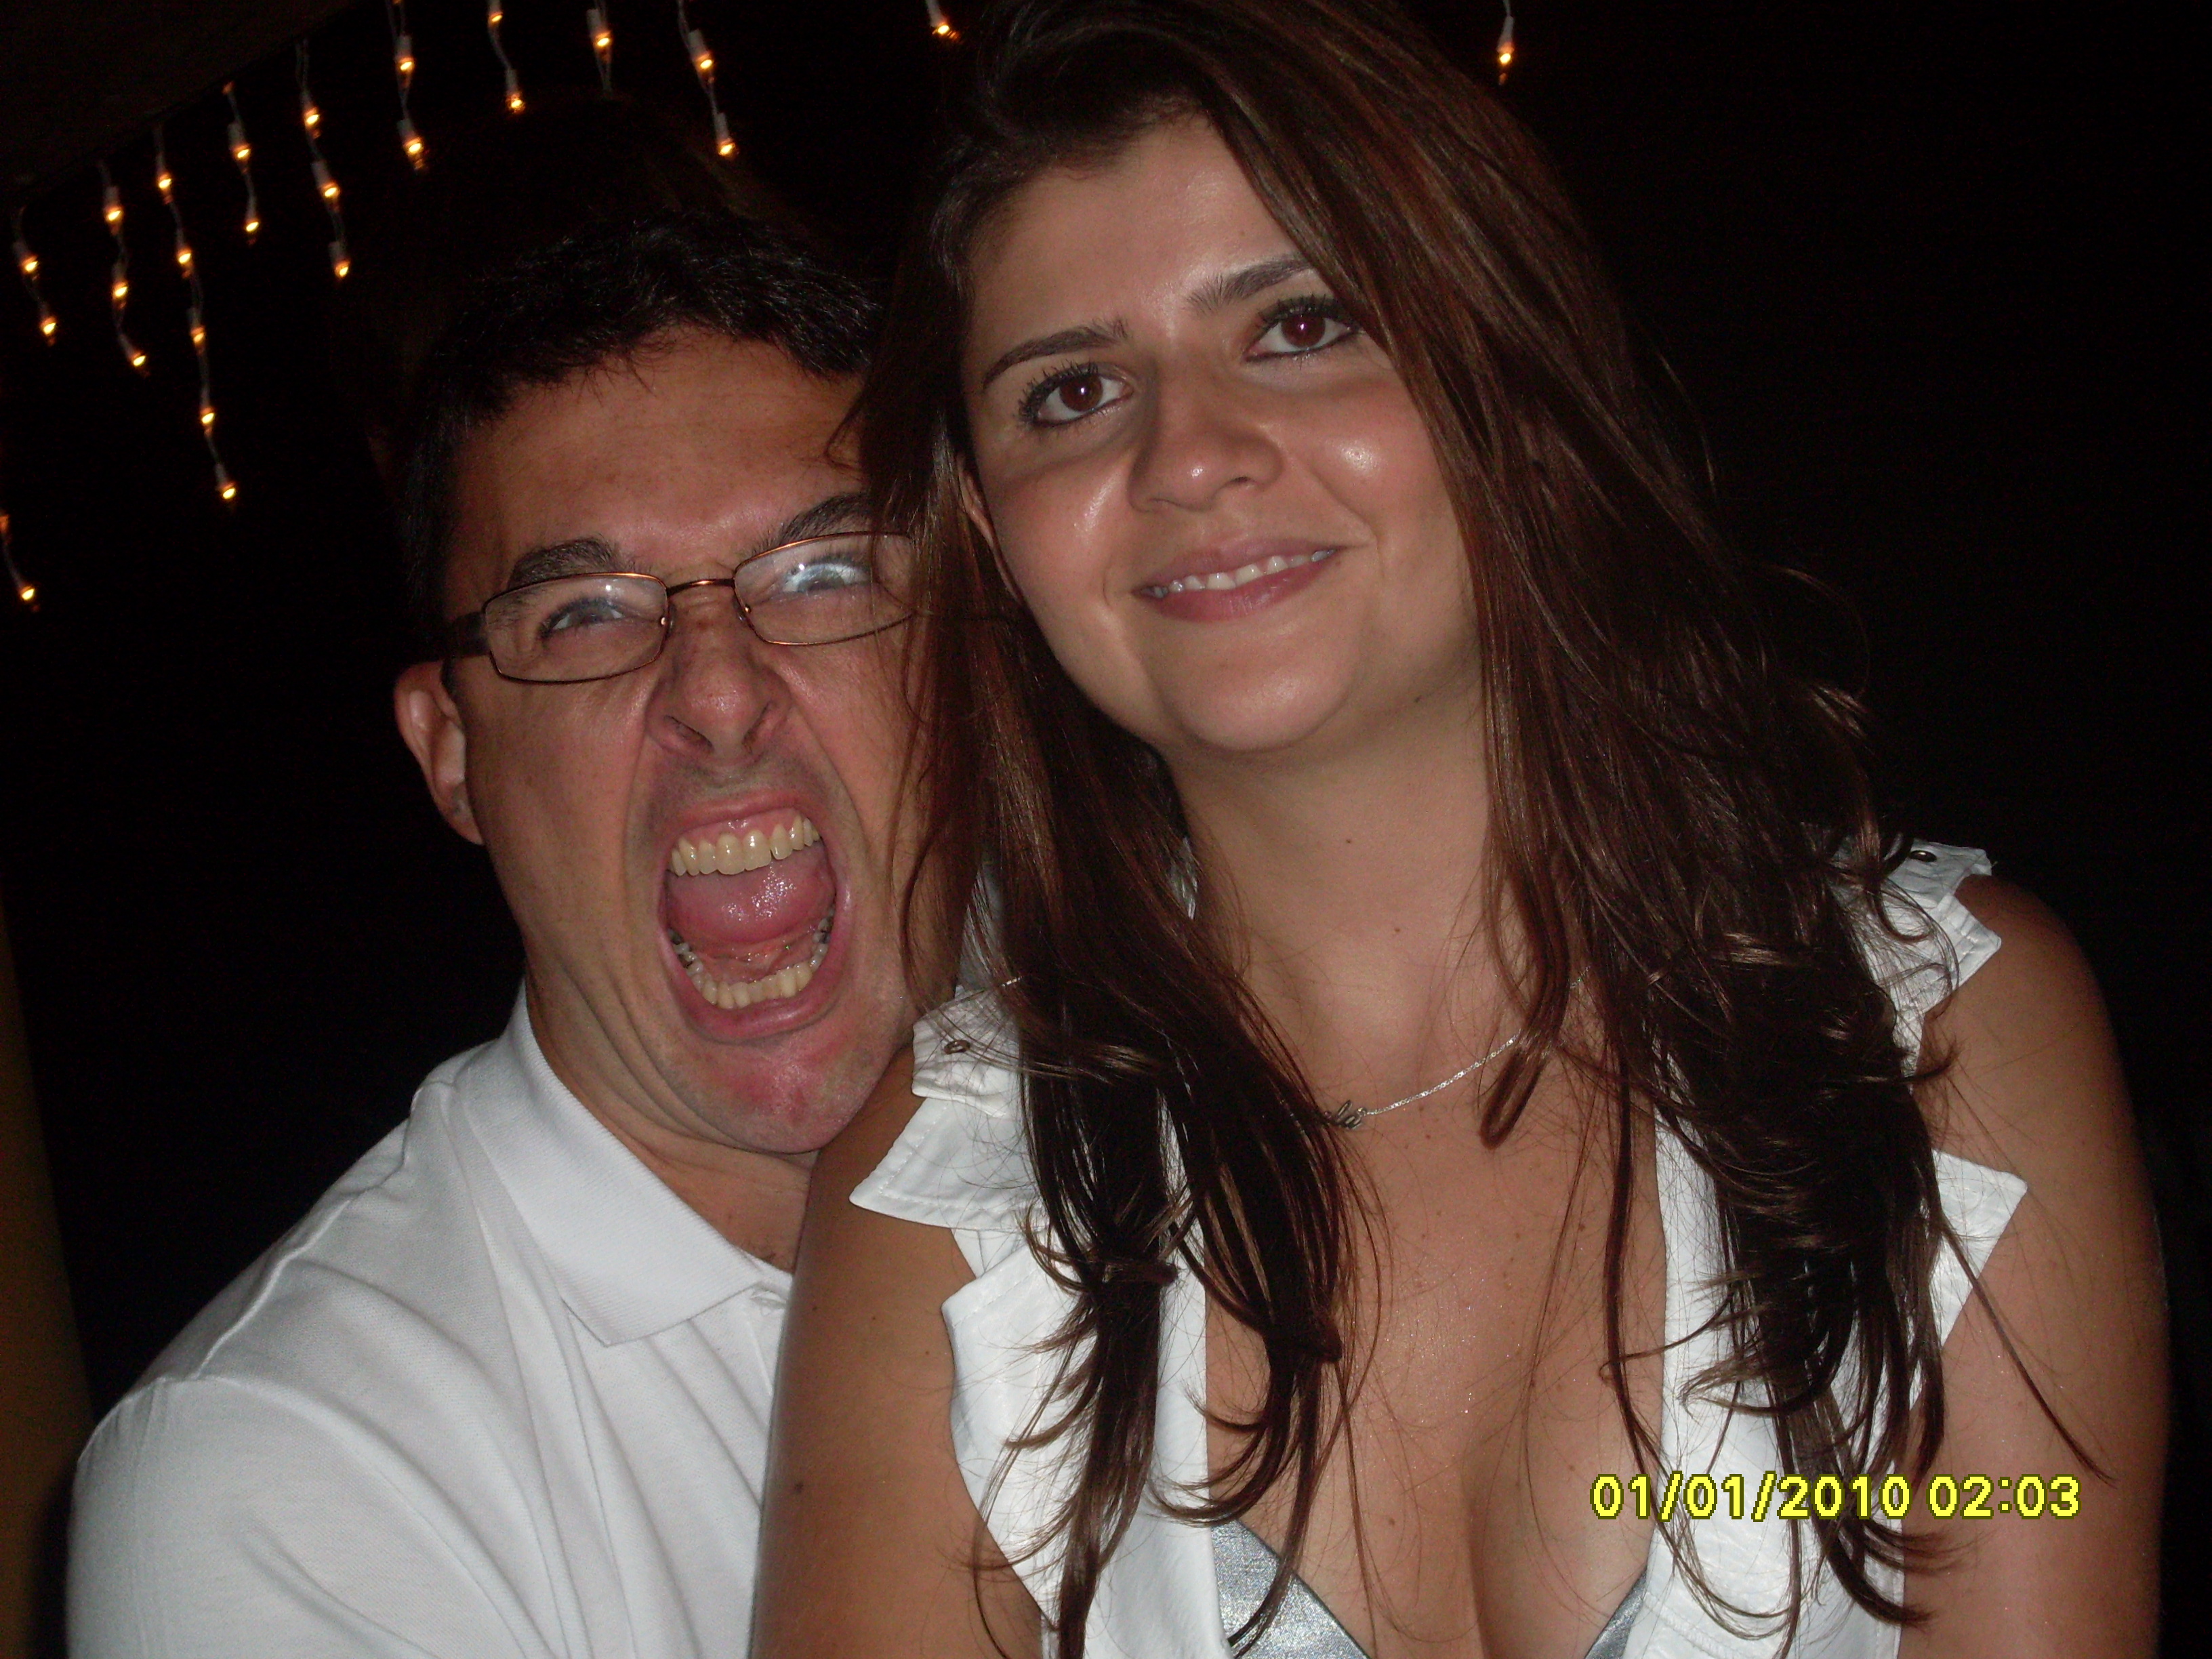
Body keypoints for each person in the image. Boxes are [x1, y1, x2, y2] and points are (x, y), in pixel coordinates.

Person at [752, 2, 2167, 1656]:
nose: (1188, 455)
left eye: (1299, 325)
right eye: (1072, 391)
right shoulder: (947, 1209)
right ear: (994, 532)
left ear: (1506, 374)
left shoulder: (1935, 1042)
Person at [69, 211, 927, 1656]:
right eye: (584, 614)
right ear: (452, 752)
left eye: (823, 572)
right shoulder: (286, 1481)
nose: (721, 695)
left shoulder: (1192, 1148)